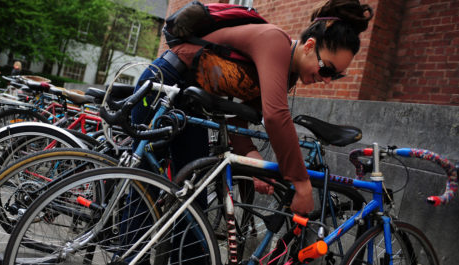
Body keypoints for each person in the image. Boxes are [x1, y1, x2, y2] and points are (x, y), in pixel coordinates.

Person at [133, 0, 374, 216]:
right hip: (166, 83)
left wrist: (252, 158)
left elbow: (240, 116)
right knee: (146, 188)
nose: (327, 80)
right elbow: (276, 117)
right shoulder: (275, 41)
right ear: (310, 46)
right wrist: (301, 184)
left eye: (337, 76)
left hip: (193, 100)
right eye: (327, 69)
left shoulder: (287, 73)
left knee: (192, 199)